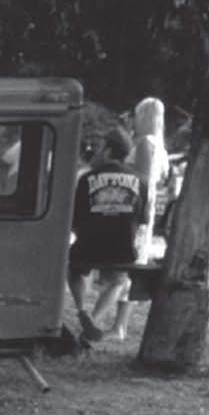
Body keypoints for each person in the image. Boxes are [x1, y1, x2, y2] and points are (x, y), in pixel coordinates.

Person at [68, 126, 148, 346]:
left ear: (108, 150)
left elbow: (75, 218)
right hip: (121, 249)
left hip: (88, 246)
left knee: (73, 267)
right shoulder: (140, 180)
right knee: (119, 281)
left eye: (100, 146)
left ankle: (83, 310)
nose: (96, 150)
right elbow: (143, 219)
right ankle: (94, 320)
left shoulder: (87, 178)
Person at [112, 98, 169, 341]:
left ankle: (118, 326)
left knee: (126, 263)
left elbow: (142, 179)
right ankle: (118, 325)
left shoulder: (146, 143)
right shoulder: (160, 146)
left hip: (136, 208)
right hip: (146, 207)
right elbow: (164, 178)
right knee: (132, 262)